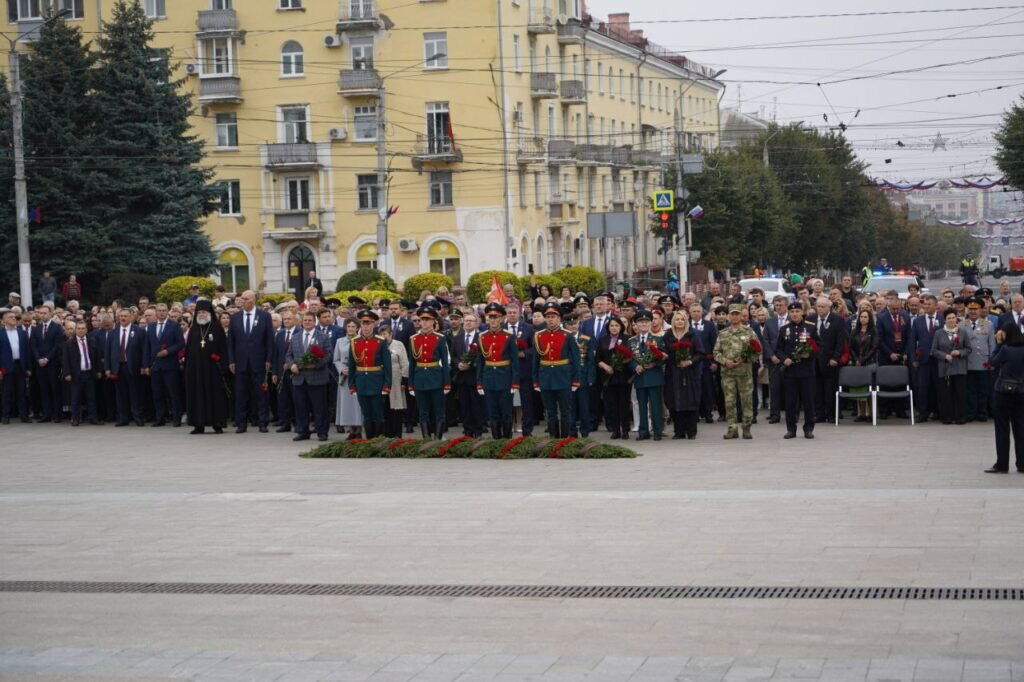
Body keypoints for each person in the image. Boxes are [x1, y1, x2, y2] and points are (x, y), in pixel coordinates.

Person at [227, 290, 275, 433]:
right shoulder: (235, 317)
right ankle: (241, 423)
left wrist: (268, 359)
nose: (242, 301)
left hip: (259, 361)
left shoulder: (264, 316)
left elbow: (269, 340)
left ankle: (262, 422)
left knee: (261, 394)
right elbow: (230, 342)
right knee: (241, 394)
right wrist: (231, 360)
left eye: (246, 298)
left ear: (253, 300)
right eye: (242, 298)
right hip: (240, 362)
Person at [532, 304, 580, 438]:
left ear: (559, 318)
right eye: (548, 317)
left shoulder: (568, 335)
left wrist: (575, 380)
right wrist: (535, 380)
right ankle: (553, 438)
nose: (550, 320)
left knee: (566, 411)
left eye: (553, 317)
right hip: (546, 377)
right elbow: (535, 360)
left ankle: (565, 438)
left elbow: (576, 360)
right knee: (550, 411)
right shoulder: (538, 336)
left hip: (564, 377)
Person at [713, 304, 759, 440]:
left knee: (746, 401)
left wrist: (745, 359)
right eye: (732, 314)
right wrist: (725, 361)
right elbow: (716, 352)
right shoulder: (723, 333)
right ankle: (732, 428)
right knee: (729, 401)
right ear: (728, 316)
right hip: (728, 373)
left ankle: (746, 427)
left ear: (741, 315)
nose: (734, 316)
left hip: (744, 372)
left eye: (737, 314)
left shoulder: (749, 332)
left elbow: (757, 351)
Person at [775, 302, 820, 439]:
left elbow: (818, 346)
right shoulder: (784, 329)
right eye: (792, 312)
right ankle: (791, 429)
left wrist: (810, 353)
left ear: (802, 312)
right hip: (790, 371)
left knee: (808, 401)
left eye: (797, 311)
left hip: (806, 370)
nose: (794, 314)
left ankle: (808, 428)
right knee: (790, 402)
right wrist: (784, 359)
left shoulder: (810, 328)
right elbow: (778, 349)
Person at [183, 300, 228, 434]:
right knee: (196, 396)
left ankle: (217, 424)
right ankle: (198, 425)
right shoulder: (193, 329)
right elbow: (188, 350)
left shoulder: (217, 328)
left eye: (204, 312)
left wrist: (221, 364)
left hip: (212, 370)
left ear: (210, 313)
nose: (202, 315)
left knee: (215, 396)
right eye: (200, 312)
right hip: (195, 370)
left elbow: (223, 349)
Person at [286, 311, 331, 442]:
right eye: (305, 320)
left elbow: (328, 355)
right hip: (299, 378)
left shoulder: (322, 337)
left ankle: (322, 432)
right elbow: (288, 355)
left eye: (309, 320)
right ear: (301, 322)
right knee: (300, 407)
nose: (307, 322)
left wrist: (316, 365)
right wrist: (291, 365)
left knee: (319, 408)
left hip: (317, 378)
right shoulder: (295, 337)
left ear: (314, 321)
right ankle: (302, 431)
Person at [476, 303, 519, 439]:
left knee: (506, 412)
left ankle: (506, 441)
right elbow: (480, 362)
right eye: (490, 317)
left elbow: (515, 362)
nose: (493, 320)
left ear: (502, 319)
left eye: (496, 317)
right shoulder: (482, 336)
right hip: (489, 378)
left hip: (505, 378)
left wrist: (515, 382)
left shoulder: (509, 336)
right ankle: (496, 440)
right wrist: (479, 382)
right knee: (492, 412)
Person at [346, 311, 391, 439]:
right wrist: (352, 385)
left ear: (374, 324)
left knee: (378, 414)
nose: (366, 327)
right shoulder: (355, 342)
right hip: (361, 382)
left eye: (369, 324)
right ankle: (369, 440)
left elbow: (387, 366)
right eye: (363, 324)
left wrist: (387, 385)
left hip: (377, 381)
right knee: (366, 414)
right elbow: (352, 365)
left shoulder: (380, 341)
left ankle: (378, 439)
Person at [987, 323, 1024, 473]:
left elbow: (993, 361)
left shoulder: (1005, 349)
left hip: (1003, 392)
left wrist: (998, 344)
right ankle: (1022, 464)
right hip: (1021, 391)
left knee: (1002, 428)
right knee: (1021, 428)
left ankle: (1002, 464)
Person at [663, 310, 705, 440]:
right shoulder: (668, 335)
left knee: (690, 401)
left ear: (686, 321)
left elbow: (701, 353)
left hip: (689, 373)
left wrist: (690, 361)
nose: (679, 321)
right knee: (674, 401)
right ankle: (679, 431)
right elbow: (664, 351)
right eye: (677, 319)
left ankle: (691, 431)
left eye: (682, 319)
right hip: (673, 373)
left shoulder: (692, 334)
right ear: (673, 321)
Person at [408, 307, 450, 439]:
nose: (424, 323)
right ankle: (425, 439)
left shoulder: (440, 338)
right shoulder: (413, 339)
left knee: (439, 411)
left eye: (427, 320)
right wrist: (411, 384)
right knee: (423, 412)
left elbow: (444, 363)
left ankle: (437, 439)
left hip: (436, 377)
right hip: (420, 378)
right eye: (422, 320)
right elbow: (412, 363)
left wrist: (447, 383)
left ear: (433, 321)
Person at [143, 303, 185, 427]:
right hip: (155, 365)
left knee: (173, 393)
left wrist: (168, 351)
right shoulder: (150, 327)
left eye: (164, 310)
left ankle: (176, 417)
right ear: (156, 312)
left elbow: (181, 343)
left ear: (167, 312)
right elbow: (147, 347)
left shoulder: (174, 325)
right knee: (157, 393)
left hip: (170, 365)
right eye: (159, 310)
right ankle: (160, 417)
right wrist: (146, 365)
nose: (161, 312)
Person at [627, 310, 666, 441]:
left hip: (654, 376)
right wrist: (635, 366)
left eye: (646, 321)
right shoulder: (631, 341)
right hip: (640, 377)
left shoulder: (658, 339)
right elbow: (628, 358)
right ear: (636, 325)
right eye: (640, 322)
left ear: (651, 323)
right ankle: (643, 431)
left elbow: (664, 357)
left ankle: (657, 431)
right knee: (641, 405)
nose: (644, 324)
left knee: (655, 406)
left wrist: (655, 363)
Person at [808, 297, 847, 423]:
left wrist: (836, 357)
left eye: (823, 306)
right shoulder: (811, 319)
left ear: (829, 307)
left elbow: (840, 341)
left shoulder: (837, 320)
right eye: (818, 306)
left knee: (830, 388)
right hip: (815, 360)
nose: (820, 309)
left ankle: (831, 414)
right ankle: (820, 414)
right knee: (817, 389)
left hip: (830, 360)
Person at [104, 308, 145, 427]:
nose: (123, 318)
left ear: (131, 317)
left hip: (132, 367)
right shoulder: (112, 333)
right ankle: (123, 418)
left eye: (125, 316)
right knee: (120, 394)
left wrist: (143, 366)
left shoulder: (139, 331)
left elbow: (143, 351)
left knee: (135, 394)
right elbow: (107, 352)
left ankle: (137, 418)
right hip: (118, 368)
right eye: (121, 316)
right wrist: (107, 368)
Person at [931, 308, 969, 425]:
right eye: (949, 318)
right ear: (945, 320)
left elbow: (968, 348)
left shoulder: (962, 332)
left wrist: (959, 353)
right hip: (945, 368)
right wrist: (944, 356)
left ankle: (960, 417)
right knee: (946, 394)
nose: (951, 320)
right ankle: (947, 417)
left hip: (959, 368)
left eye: (953, 318)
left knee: (960, 394)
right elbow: (933, 350)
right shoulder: (939, 333)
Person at [595, 316, 631, 439]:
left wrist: (619, 363)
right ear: (608, 327)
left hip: (622, 376)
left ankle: (625, 429)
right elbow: (597, 358)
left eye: (616, 325)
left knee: (623, 404)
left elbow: (631, 356)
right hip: (607, 376)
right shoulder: (602, 340)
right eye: (611, 326)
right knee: (611, 404)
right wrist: (606, 366)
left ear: (621, 327)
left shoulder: (627, 339)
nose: (614, 328)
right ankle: (615, 430)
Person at [62, 320, 102, 425]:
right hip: (76, 375)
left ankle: (93, 418)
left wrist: (98, 370)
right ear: (75, 330)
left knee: (91, 397)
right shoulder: (69, 343)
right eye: (78, 329)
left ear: (86, 329)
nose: (80, 330)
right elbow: (65, 360)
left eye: (82, 328)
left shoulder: (92, 341)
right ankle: (75, 419)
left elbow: (97, 357)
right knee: (75, 398)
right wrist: (67, 373)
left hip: (89, 373)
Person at [30, 305, 65, 424]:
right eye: (40, 313)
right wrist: (39, 358)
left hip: (52, 364)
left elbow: (57, 346)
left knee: (55, 389)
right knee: (43, 390)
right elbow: (33, 346)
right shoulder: (35, 328)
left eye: (45, 313)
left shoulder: (57, 328)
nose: (42, 315)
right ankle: (46, 414)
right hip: (40, 365)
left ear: (50, 314)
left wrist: (47, 358)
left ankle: (57, 414)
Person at [452, 310, 484, 438]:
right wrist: (458, 364)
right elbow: (453, 355)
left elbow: (483, 356)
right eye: (466, 321)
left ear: (476, 323)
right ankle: (467, 430)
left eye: (471, 321)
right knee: (464, 405)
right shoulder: (458, 338)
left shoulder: (481, 337)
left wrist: (471, 364)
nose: (468, 323)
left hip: (475, 376)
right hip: (461, 377)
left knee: (477, 405)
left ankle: (478, 429)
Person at [963, 298, 996, 423]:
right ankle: (971, 413)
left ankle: (982, 413)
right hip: (968, 362)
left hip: (983, 362)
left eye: (975, 309)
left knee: (983, 390)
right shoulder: (961, 324)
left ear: (980, 310)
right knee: (970, 390)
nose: (973, 312)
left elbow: (992, 344)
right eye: (970, 309)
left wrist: (992, 360)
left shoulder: (988, 324)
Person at [505, 305, 535, 436]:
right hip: (506, 371)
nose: (512, 314)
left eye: (514, 312)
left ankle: (527, 431)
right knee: (506, 402)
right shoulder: (501, 328)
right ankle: (506, 430)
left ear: (519, 313)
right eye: (510, 312)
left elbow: (535, 348)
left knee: (527, 402)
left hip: (524, 370)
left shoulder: (528, 328)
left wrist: (524, 353)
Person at [0, 307, 31, 423]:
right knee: (6, 392)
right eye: (10, 317)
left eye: (14, 317)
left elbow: (27, 351)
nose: (14, 319)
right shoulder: (0, 334)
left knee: (22, 392)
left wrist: (28, 368)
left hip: (20, 366)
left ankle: (24, 415)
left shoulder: (22, 333)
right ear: (3, 321)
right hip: (5, 367)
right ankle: (6, 416)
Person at [379, 324, 409, 437]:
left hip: (396, 380)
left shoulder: (398, 345)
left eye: (385, 334)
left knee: (396, 408)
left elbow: (405, 363)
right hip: (382, 380)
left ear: (390, 334)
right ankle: (386, 434)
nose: (383, 337)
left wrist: (404, 380)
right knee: (384, 408)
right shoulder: (378, 345)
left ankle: (397, 434)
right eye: (381, 334)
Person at [848, 309, 877, 422]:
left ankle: (870, 414)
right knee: (859, 388)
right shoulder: (854, 332)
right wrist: (856, 359)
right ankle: (862, 413)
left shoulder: (873, 332)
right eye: (861, 317)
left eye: (865, 317)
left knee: (869, 388)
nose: (863, 319)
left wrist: (864, 360)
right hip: (857, 363)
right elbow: (851, 347)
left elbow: (874, 348)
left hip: (869, 363)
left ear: (869, 319)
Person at [271, 309, 298, 433]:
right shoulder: (280, 334)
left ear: (295, 320)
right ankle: (285, 422)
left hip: (295, 371)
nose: (287, 321)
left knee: (296, 399)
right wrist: (275, 372)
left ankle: (298, 423)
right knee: (283, 398)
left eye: (289, 319)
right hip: (281, 372)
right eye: (285, 319)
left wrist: (292, 364)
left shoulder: (300, 332)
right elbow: (276, 355)